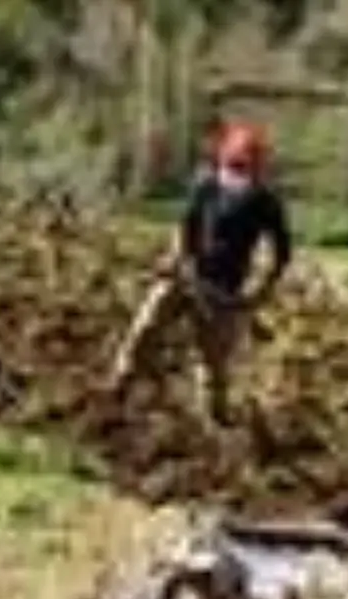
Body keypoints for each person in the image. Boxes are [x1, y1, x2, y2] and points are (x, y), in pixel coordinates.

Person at [106, 121, 292, 425]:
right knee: (146, 326)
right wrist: (175, 258)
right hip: (187, 275)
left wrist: (258, 292)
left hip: (225, 291)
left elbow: (280, 255)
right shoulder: (206, 184)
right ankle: (117, 385)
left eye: (244, 168)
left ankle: (217, 424)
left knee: (212, 365)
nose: (237, 174)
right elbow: (186, 226)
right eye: (233, 165)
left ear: (257, 170)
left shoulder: (266, 203)